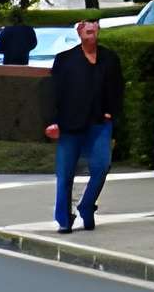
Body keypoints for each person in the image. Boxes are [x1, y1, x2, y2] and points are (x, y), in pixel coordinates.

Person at [42, 18, 122, 232]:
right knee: (65, 173)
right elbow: (53, 93)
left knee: (101, 167)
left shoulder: (110, 58)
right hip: (70, 124)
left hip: (99, 123)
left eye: (94, 25)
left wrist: (111, 114)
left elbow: (117, 90)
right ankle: (64, 220)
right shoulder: (65, 59)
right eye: (85, 25)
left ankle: (86, 206)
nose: (90, 28)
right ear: (78, 31)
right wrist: (52, 121)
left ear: (98, 30)